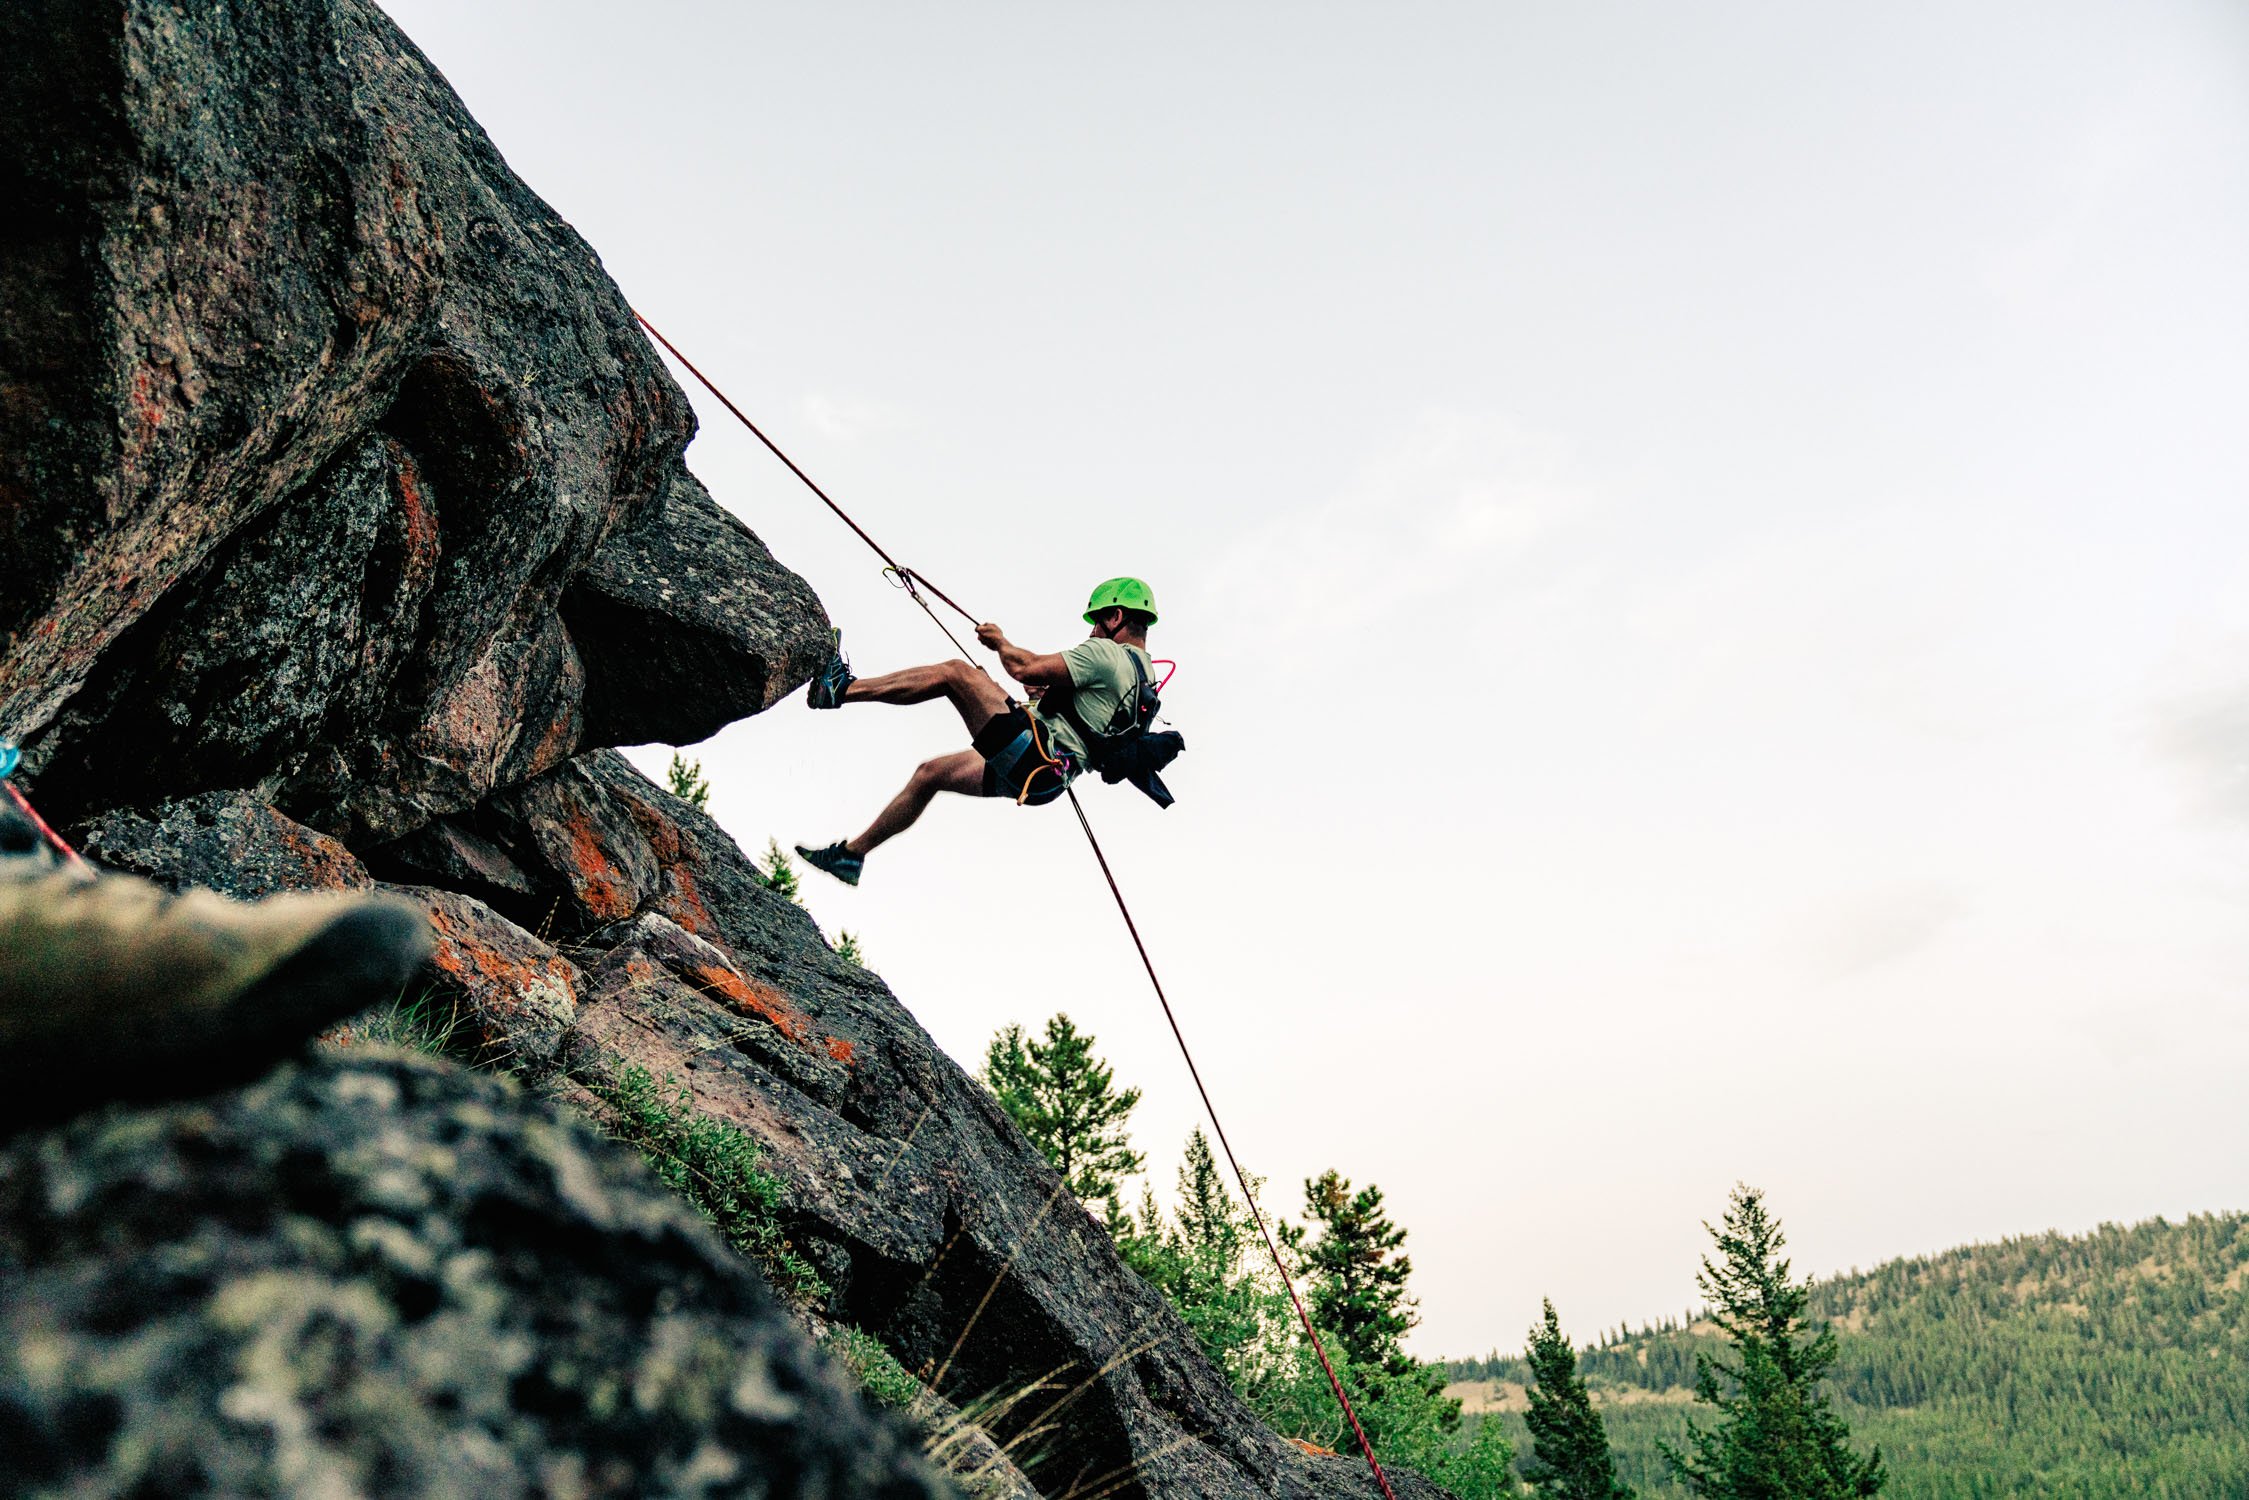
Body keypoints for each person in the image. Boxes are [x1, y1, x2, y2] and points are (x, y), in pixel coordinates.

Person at [793, 577, 1166, 886]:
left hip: (1034, 755)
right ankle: (851, 857)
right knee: (931, 774)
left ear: (1115, 616)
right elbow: (1079, 716)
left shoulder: (1105, 654)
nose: (1093, 631)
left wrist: (1000, 643)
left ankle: (839, 689)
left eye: (1097, 622)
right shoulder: (1143, 679)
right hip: (1047, 778)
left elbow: (1026, 668)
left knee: (954, 673)